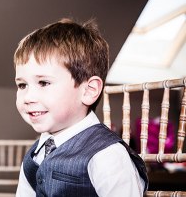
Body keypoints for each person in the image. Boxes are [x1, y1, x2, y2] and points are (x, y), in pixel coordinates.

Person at [13, 18, 148, 197]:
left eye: (43, 83)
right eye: (22, 85)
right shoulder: (34, 154)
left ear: (89, 90)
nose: (28, 97)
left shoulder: (107, 155)